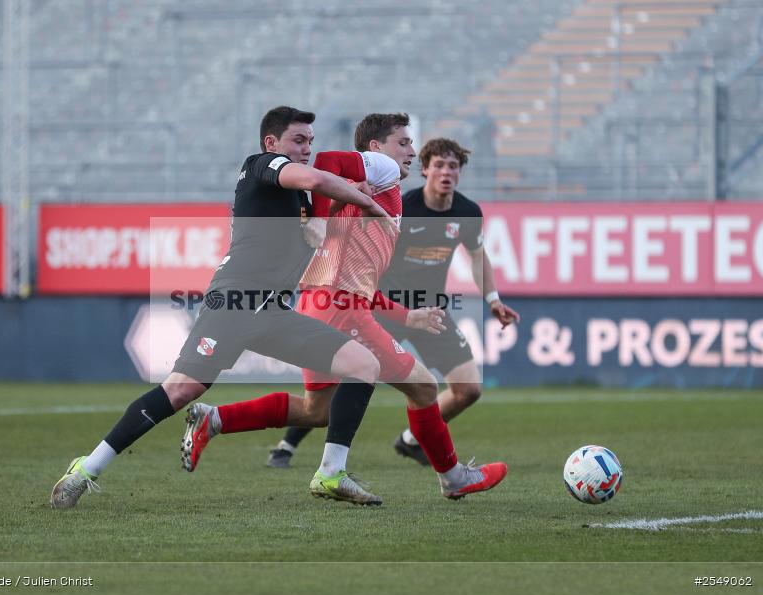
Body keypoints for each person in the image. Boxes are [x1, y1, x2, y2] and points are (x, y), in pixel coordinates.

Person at [50, 106, 397, 509]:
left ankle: (330, 473)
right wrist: (367, 202)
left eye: (310, 142)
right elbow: (319, 177)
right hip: (233, 301)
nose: (306, 149)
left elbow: (311, 220)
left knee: (363, 365)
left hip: (272, 311)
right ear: (272, 143)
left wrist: (348, 202)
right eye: (298, 140)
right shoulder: (262, 165)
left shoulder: (297, 199)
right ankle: (86, 469)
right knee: (180, 390)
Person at [181, 116, 508, 501]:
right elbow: (329, 161)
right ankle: (450, 477)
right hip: (341, 308)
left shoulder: (370, 192)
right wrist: (323, 216)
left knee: (316, 410)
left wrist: (405, 316)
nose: (410, 151)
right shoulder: (380, 175)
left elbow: (358, 276)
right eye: (403, 143)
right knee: (422, 387)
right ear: (375, 150)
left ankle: (214, 418)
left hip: (324, 303)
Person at [266, 137, 520, 468]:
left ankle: (412, 439)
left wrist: (493, 298)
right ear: (425, 169)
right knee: (345, 380)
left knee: (469, 389)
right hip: (385, 308)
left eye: (453, 166)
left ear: (460, 172)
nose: (446, 172)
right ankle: (287, 445)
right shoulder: (405, 205)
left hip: (430, 312)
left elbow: (477, 255)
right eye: (439, 165)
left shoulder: (468, 213)